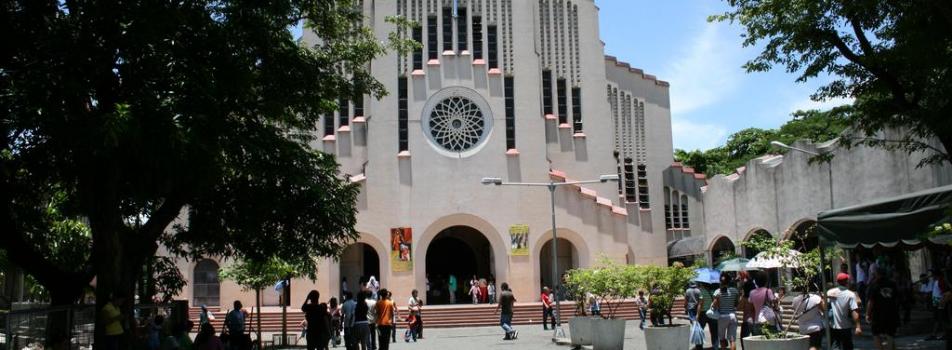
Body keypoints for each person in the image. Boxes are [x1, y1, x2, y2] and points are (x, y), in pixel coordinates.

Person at [867, 268, 900, 350]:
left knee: (876, 334)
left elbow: (871, 301)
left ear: (877, 274)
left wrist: (868, 314)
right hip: (892, 312)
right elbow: (897, 298)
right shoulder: (893, 283)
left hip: (878, 314)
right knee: (890, 334)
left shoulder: (874, 284)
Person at [828, 272, 862, 350]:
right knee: (847, 347)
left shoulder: (830, 292)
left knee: (835, 346)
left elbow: (825, 305)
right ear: (846, 281)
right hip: (846, 326)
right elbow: (854, 310)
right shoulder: (850, 294)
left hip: (833, 326)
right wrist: (858, 326)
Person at [791, 284, 826, 350]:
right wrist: (823, 300)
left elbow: (795, 310)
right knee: (814, 346)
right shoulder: (816, 298)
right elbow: (824, 310)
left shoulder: (795, 300)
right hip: (815, 327)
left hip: (802, 329)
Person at [747, 272, 781, 336]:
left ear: (756, 282)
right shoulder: (768, 291)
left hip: (757, 321)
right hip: (769, 321)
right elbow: (774, 303)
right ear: (766, 281)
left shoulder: (752, 293)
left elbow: (750, 307)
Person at [713, 274, 739, 350]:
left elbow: (715, 305)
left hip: (722, 316)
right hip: (732, 316)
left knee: (722, 339)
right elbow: (736, 303)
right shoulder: (734, 291)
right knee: (732, 340)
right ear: (729, 281)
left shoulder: (717, 292)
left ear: (720, 281)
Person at [696, 282, 718, 350]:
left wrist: (697, 314)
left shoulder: (701, 291)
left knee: (700, 330)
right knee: (714, 331)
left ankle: (699, 347)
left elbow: (700, 304)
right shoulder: (715, 291)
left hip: (703, 313)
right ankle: (715, 346)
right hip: (712, 313)